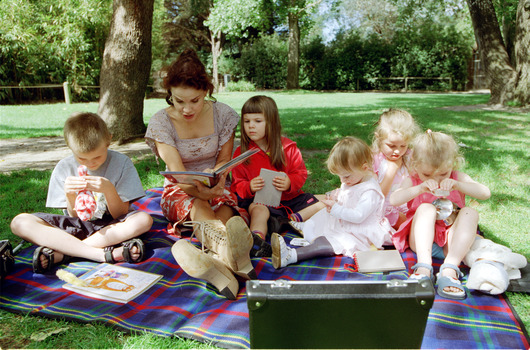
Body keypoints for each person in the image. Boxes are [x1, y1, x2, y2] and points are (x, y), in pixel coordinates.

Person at [145, 49, 254, 300]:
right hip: (181, 189)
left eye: (194, 100)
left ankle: (218, 268)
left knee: (225, 208)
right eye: (178, 100)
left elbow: (225, 160)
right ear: (169, 95)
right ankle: (239, 261)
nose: (186, 108)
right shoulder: (160, 123)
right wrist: (201, 191)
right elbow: (176, 173)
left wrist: (217, 183)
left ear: (206, 92)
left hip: (217, 183)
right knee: (198, 204)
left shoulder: (223, 114)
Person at [10, 112, 153, 273]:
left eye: (97, 157)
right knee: (19, 222)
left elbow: (120, 213)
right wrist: (70, 196)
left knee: (143, 219)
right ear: (70, 147)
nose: (91, 163)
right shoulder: (64, 168)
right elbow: (73, 218)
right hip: (76, 228)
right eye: (82, 159)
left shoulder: (122, 163)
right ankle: (102, 254)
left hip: (111, 225)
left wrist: (108, 189)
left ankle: (65, 252)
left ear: (108, 141)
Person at [390, 130, 491, 299]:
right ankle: (423, 267)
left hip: (451, 245)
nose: (436, 179)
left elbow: (485, 193)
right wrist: (419, 188)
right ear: (415, 165)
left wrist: (458, 185)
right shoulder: (414, 180)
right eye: (427, 174)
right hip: (422, 241)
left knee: (470, 212)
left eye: (443, 173)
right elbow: (394, 199)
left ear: (453, 163)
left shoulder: (457, 177)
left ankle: (450, 269)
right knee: (426, 208)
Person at [271, 136, 394, 269]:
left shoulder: (370, 192)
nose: (343, 180)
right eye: (339, 176)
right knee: (324, 214)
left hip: (360, 232)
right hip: (346, 222)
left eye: (346, 176)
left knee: (332, 242)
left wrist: (336, 209)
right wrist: (338, 196)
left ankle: (291, 255)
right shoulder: (356, 178)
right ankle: (307, 227)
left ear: (364, 167)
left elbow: (359, 216)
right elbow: (349, 195)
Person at [230, 95, 324, 257]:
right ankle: (256, 240)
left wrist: (289, 182)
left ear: (271, 122)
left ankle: (290, 220)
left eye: (258, 121)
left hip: (291, 201)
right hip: (260, 202)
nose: (251, 126)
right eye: (247, 121)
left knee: (327, 202)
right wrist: (249, 186)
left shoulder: (288, 147)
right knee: (258, 210)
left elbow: (300, 174)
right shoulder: (241, 153)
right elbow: (237, 185)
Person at [371, 109, 420, 229]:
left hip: (409, 205)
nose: (397, 151)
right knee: (411, 225)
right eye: (391, 146)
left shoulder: (409, 156)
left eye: (403, 145)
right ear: (379, 138)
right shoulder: (374, 161)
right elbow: (377, 196)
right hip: (384, 209)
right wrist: (391, 170)